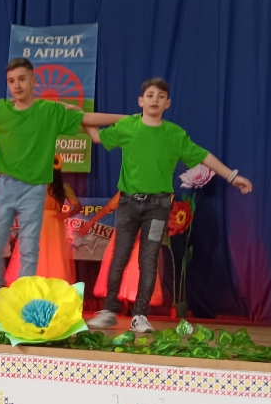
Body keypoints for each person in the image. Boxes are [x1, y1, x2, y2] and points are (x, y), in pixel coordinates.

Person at [0, 57, 124, 320]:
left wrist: (127, 118)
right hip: (5, 185)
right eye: (11, 81)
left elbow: (87, 117)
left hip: (34, 187)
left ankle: (23, 300)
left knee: (30, 246)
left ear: (33, 81)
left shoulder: (48, 111)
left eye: (22, 79)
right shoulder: (0, 110)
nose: (17, 85)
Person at [84, 78, 253, 334]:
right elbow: (97, 136)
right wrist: (82, 119)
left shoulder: (174, 134)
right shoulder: (128, 126)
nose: (155, 99)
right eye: (150, 95)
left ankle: (140, 315)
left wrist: (232, 176)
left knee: (149, 259)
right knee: (119, 256)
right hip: (128, 203)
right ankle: (108, 311)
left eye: (160, 96)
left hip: (157, 207)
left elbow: (203, 155)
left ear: (168, 103)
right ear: (141, 101)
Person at [79, 193, 165, 311]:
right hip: (124, 233)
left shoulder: (152, 193)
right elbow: (107, 208)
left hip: (142, 235)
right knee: (120, 265)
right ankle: (122, 304)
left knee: (136, 268)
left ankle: (135, 305)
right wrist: (90, 223)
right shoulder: (126, 191)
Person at [4, 155, 80, 284]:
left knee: (52, 253)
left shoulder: (62, 187)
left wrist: (66, 215)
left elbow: (78, 206)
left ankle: (51, 287)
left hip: (53, 225)